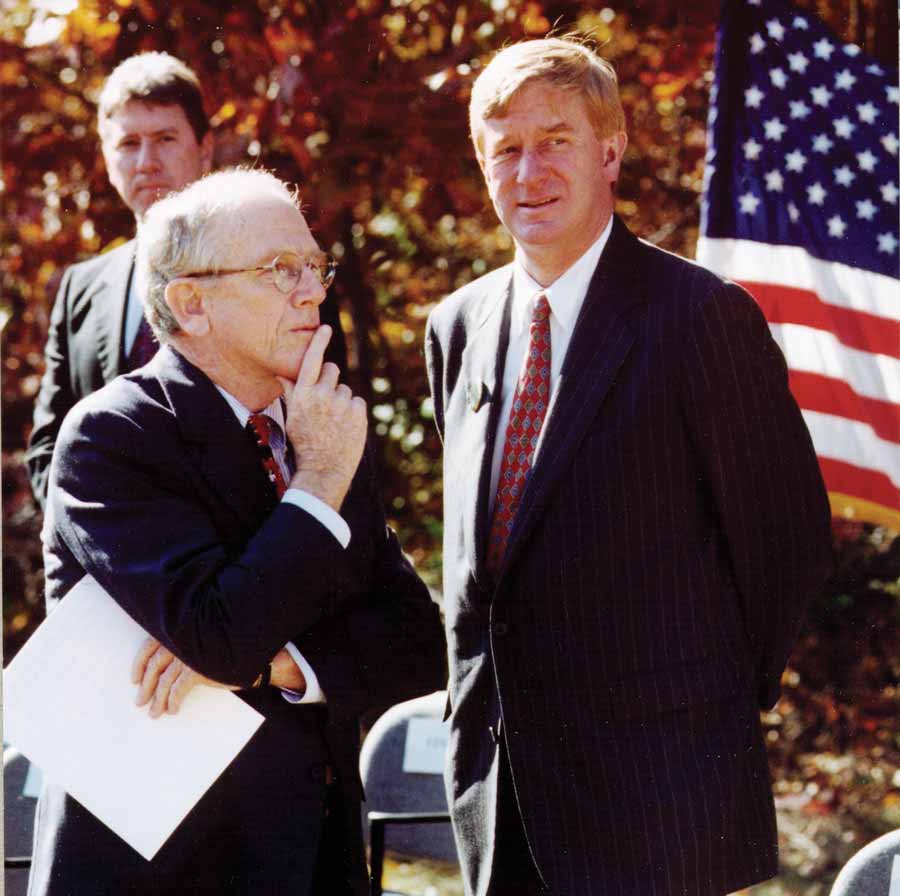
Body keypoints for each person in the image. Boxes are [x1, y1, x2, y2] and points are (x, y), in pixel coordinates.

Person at [425, 37, 833, 896]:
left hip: (659, 799)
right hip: (501, 797)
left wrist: (697, 710)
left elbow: (782, 540)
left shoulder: (699, 318)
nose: (528, 170)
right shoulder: (456, 329)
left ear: (610, 149)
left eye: (555, 140)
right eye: (505, 148)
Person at [28, 168, 446, 896]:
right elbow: (220, 633)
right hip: (157, 870)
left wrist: (278, 667)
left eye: (314, 266)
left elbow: (417, 640)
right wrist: (316, 484)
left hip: (316, 861)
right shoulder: (114, 434)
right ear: (191, 303)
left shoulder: (318, 424)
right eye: (281, 270)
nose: (312, 290)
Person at [25, 51, 346, 509]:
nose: (146, 161)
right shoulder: (80, 289)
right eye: (128, 143)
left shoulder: (289, 274)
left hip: (258, 555)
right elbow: (47, 450)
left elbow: (325, 424)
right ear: (106, 155)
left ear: (205, 147)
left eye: (165, 138)